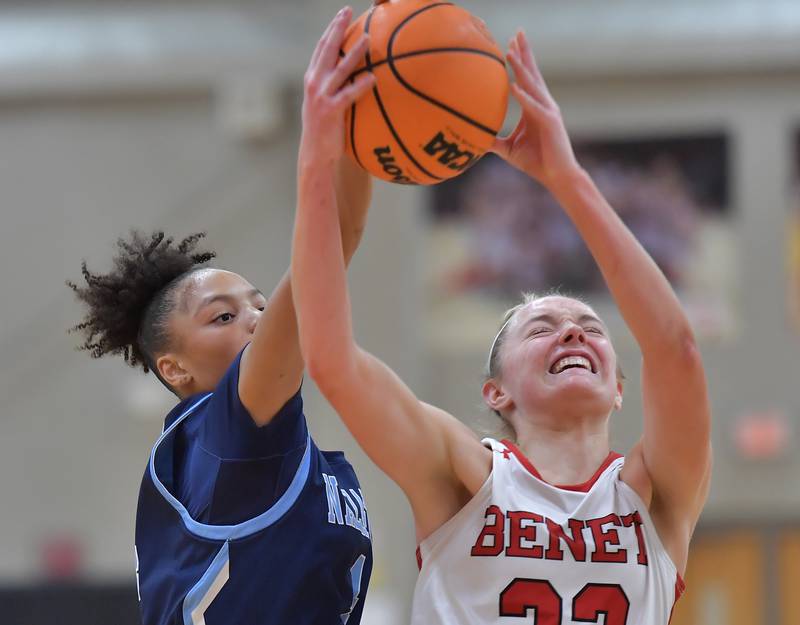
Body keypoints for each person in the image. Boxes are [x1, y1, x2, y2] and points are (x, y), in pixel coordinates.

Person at [291, 29, 711, 624]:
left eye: (591, 328)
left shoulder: (655, 491)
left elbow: (677, 350)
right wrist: (314, 163)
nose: (571, 332)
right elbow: (332, 360)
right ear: (497, 392)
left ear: (620, 387)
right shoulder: (464, 475)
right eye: (541, 329)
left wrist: (566, 176)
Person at [67, 9, 376, 625]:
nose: (259, 318)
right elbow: (328, 251)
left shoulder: (263, 446)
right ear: (174, 367)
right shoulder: (234, 435)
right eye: (223, 316)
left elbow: (331, 252)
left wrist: (359, 134)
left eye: (261, 304)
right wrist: (333, 139)